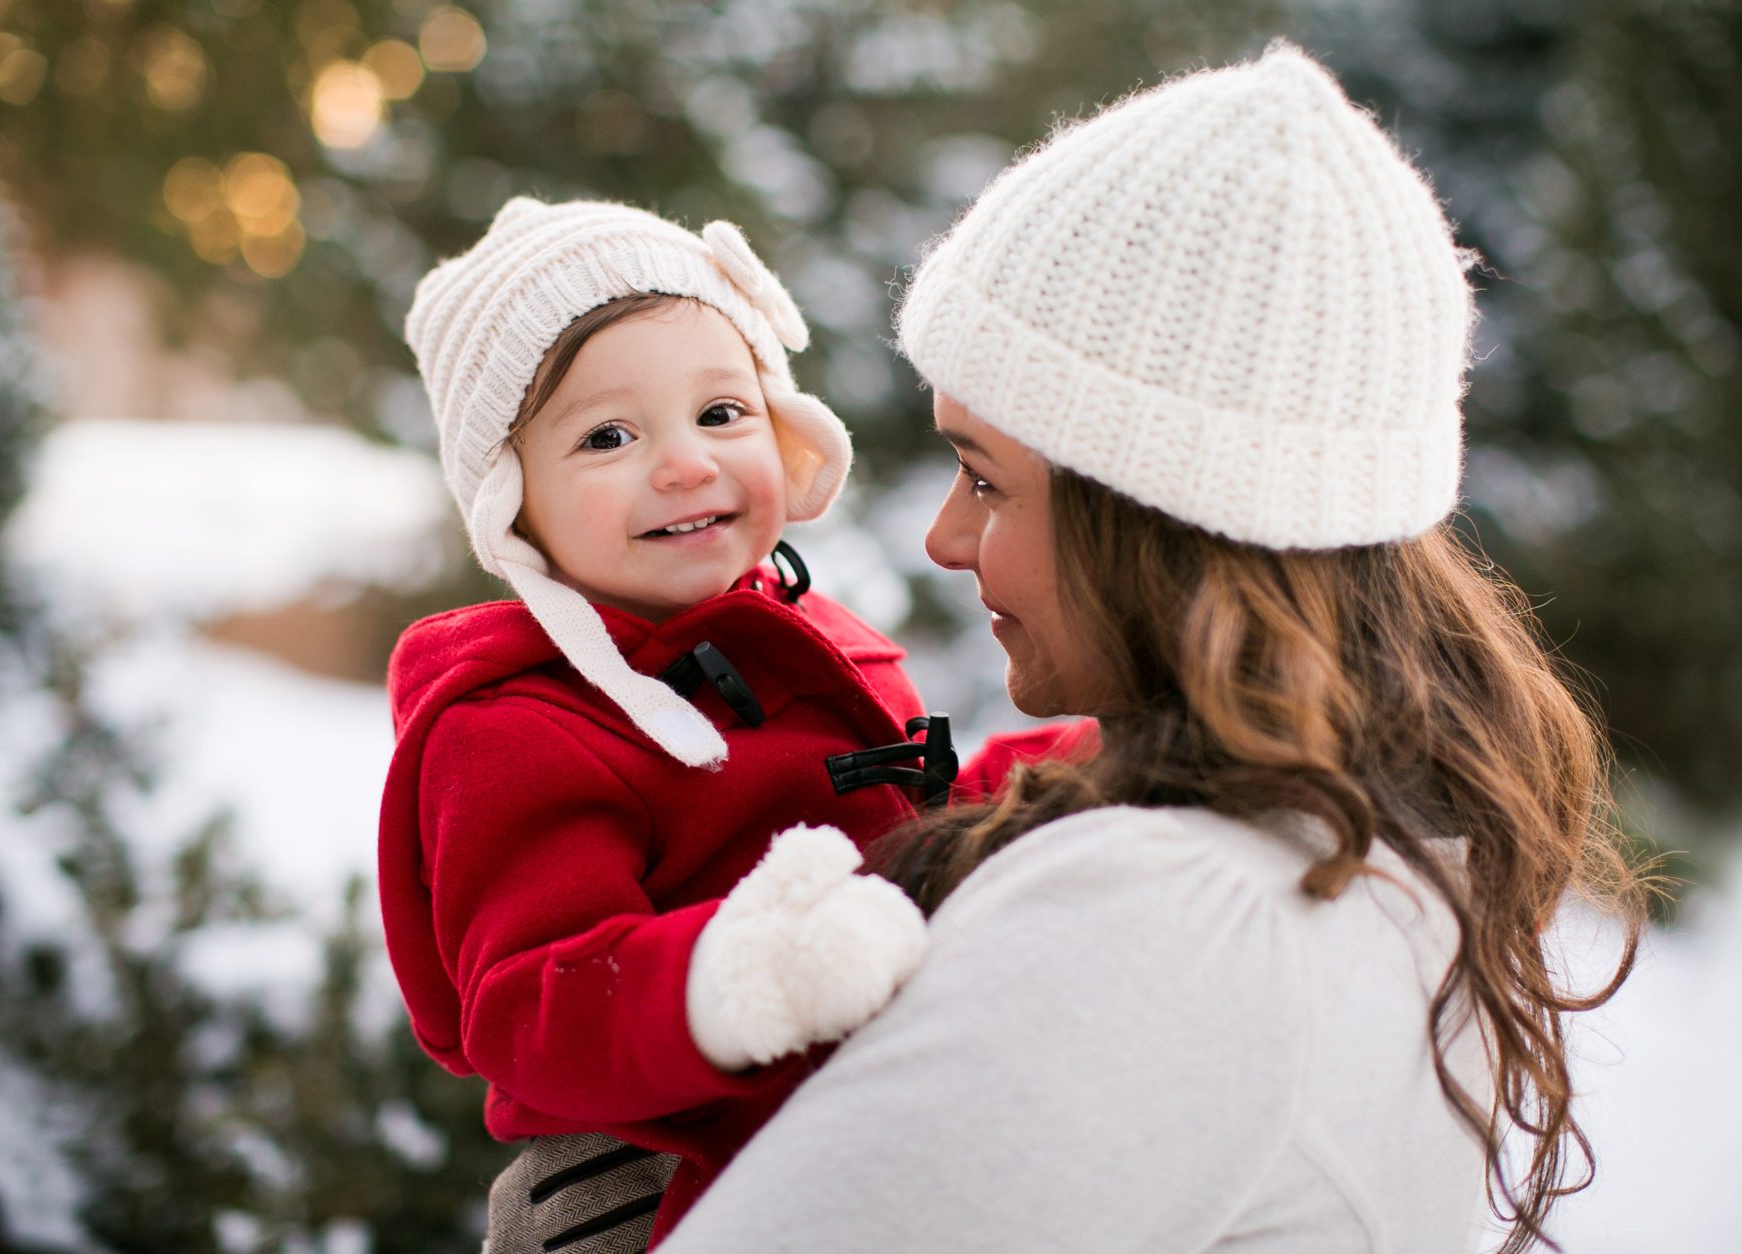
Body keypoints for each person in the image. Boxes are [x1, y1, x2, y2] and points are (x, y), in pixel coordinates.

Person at [659, 42, 1651, 1254]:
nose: (941, 537)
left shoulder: (1172, 925)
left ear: (1159, 522)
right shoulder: (1362, 866)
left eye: (985, 478)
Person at [378, 201, 950, 1251]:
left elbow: (926, 826)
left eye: (721, 413)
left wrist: (1066, 789)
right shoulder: (515, 729)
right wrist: (736, 975)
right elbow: (526, 1005)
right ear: (513, 503)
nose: (684, 464)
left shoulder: (813, 641)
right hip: (642, 1184)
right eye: (607, 435)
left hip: (845, 1140)